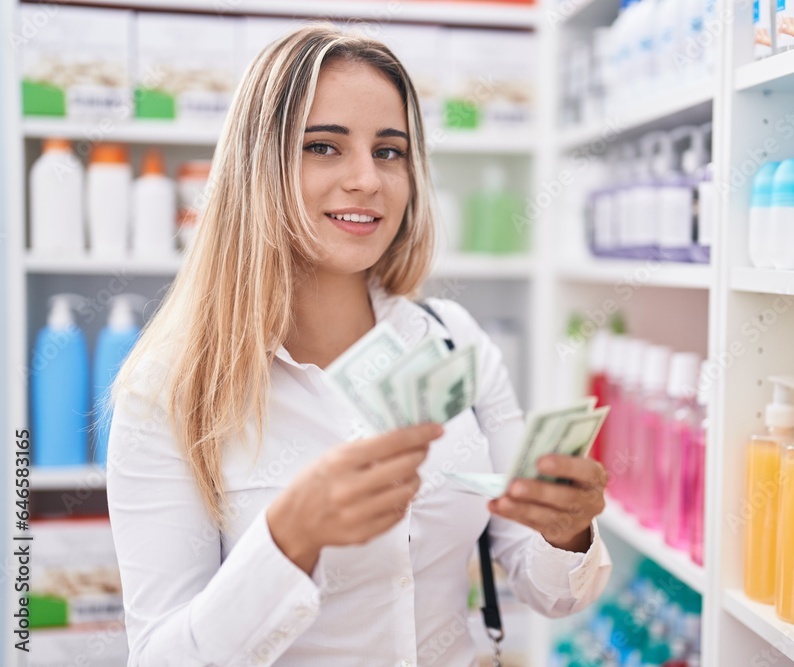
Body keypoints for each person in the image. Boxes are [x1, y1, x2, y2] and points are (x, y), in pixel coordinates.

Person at [106, 23, 612, 666]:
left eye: (390, 151)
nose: (367, 180)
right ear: (257, 166)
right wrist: (289, 540)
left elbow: (552, 593)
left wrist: (567, 529)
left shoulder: (454, 339)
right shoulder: (169, 390)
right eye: (323, 146)